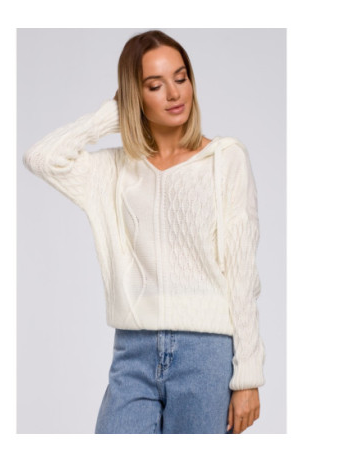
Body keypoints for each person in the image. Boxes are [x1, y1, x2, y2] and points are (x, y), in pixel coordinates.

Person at [23, 29, 266, 434]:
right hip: (132, 352)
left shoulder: (224, 159)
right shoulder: (114, 170)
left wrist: (248, 376)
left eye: (181, 77)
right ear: (135, 96)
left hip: (206, 354)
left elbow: (241, 272)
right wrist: (112, 114)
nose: (174, 93)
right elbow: (41, 158)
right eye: (155, 85)